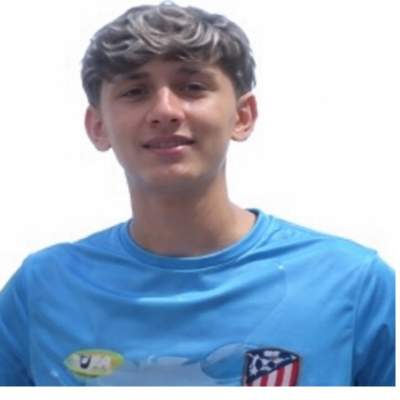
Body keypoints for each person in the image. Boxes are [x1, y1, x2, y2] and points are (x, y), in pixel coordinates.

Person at [0, 1, 395, 387]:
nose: (165, 110)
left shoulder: (353, 285)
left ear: (242, 116)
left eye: (192, 87)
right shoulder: (43, 292)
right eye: (135, 91)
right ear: (97, 126)